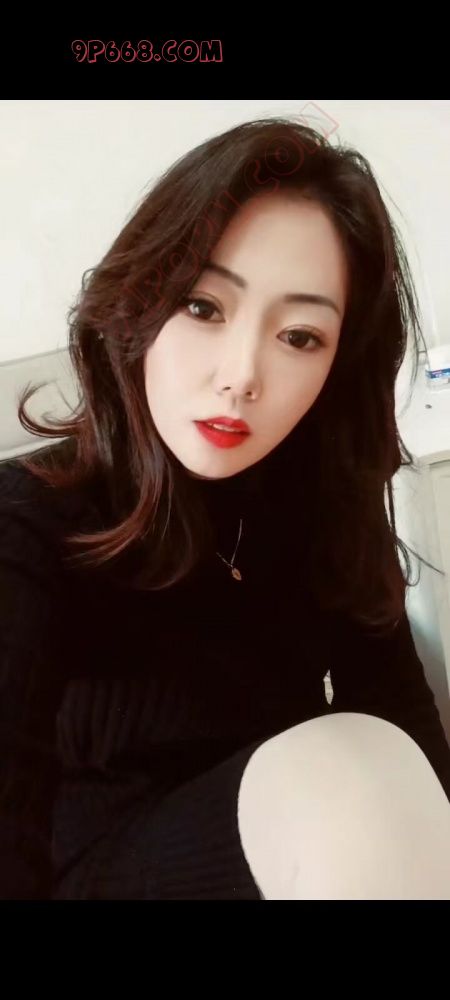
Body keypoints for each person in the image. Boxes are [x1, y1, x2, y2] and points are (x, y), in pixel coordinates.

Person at [1, 115, 450, 901]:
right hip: (98, 878)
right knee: (349, 778)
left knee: (372, 762)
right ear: (139, 304)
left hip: (295, 872)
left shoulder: (320, 502)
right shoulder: (29, 520)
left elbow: (401, 719)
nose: (242, 375)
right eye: (204, 307)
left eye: (300, 336)